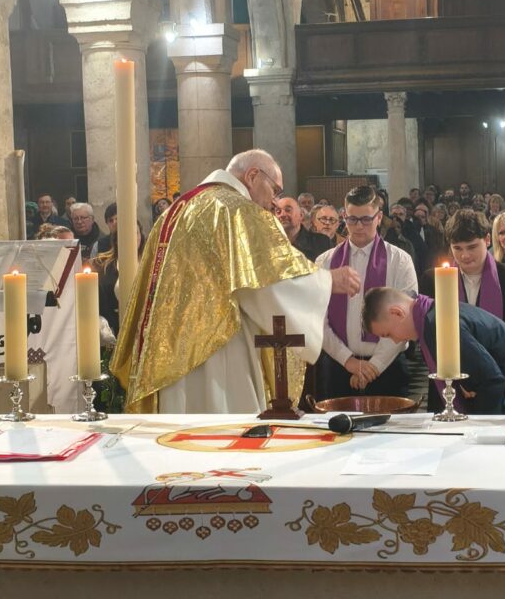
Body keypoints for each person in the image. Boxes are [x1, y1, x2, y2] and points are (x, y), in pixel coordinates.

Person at [110, 149, 361, 414]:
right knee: (224, 439)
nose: (274, 203)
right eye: (274, 190)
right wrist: (326, 280)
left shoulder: (175, 211)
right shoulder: (240, 211)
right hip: (219, 354)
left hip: (166, 360)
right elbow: (269, 284)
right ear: (253, 175)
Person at [363, 287, 505, 416]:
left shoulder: (437, 323)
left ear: (397, 312)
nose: (396, 340)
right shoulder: (433, 313)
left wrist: (479, 431)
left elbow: (491, 379)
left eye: (388, 334)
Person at [314, 185, 418, 398]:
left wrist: (375, 366)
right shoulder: (324, 261)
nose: (359, 226)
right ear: (344, 216)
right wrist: (348, 360)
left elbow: (405, 321)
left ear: (379, 217)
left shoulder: (400, 261)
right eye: (352, 219)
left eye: (366, 219)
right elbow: (318, 320)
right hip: (338, 367)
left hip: (388, 367)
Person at [420, 209, 505, 331]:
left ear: (487, 240)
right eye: (457, 248)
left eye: (472, 247)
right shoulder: (432, 280)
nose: (465, 255)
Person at [93, 223, 146, 335]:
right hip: (115, 329)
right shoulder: (103, 265)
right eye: (126, 233)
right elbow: (99, 303)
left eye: (136, 233)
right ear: (117, 239)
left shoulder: (151, 265)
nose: (132, 237)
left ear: (140, 236)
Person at [275, 196, 331, 262]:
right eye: (278, 212)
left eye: (288, 210)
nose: (282, 215)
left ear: (301, 215)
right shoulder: (268, 243)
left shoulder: (322, 242)